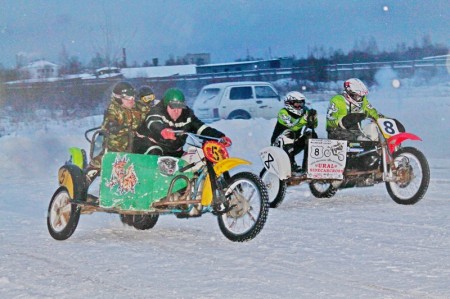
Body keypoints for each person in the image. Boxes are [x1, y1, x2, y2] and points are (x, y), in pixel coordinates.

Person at [134, 88, 231, 157]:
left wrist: (219, 136)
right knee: (155, 152)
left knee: (197, 158)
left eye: (179, 107)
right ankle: (154, 184)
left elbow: (200, 128)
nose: (176, 111)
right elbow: (153, 121)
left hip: (174, 151)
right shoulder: (157, 111)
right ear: (166, 105)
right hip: (150, 147)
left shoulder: (187, 115)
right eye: (172, 107)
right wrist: (162, 130)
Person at [86, 81, 143, 182]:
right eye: (128, 97)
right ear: (118, 98)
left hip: (133, 148)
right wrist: (117, 127)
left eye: (133, 96)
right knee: (98, 165)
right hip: (113, 149)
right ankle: (82, 186)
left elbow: (149, 110)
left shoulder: (136, 108)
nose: (132, 100)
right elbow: (110, 122)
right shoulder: (113, 109)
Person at [270, 91, 318, 173]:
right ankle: (291, 164)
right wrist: (304, 119)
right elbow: (292, 127)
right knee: (289, 133)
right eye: (297, 104)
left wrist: (313, 118)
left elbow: (313, 126)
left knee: (312, 135)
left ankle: (308, 165)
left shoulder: (304, 111)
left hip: (294, 143)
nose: (299, 106)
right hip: (279, 145)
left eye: (301, 104)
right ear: (289, 103)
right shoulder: (283, 113)